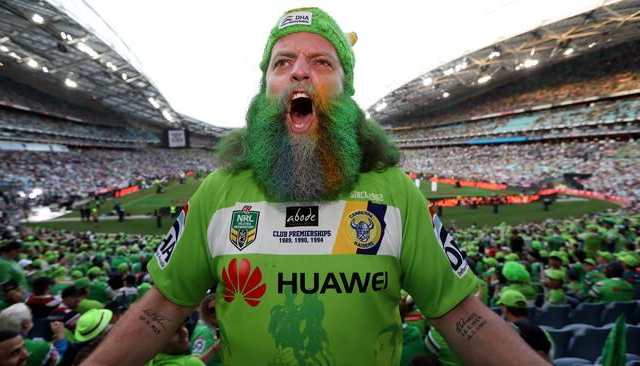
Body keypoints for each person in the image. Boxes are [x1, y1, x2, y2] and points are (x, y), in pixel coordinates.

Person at [84, 8, 547, 365]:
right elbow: (162, 307)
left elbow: (460, 315)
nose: (299, 72)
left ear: (345, 89)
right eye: (282, 62)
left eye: (321, 61)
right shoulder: (218, 192)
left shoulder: (394, 192)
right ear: (266, 86)